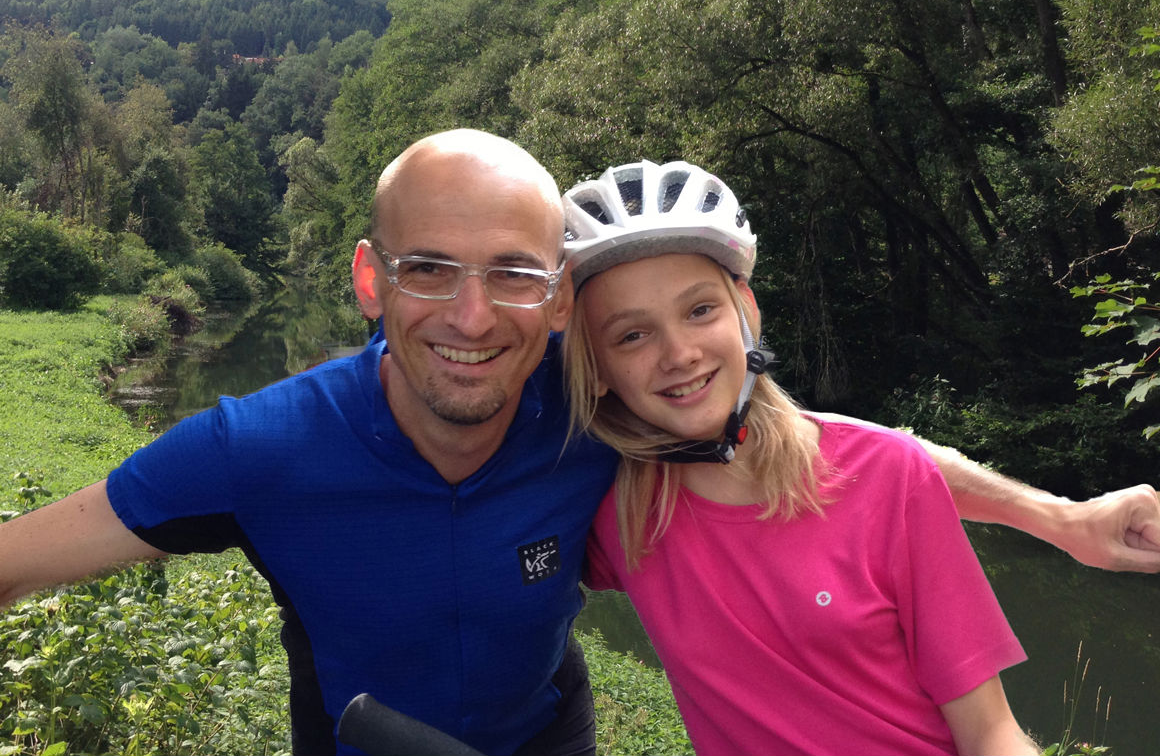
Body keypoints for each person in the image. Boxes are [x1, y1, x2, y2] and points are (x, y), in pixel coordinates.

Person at [0, 130, 1157, 756]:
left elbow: (845, 457)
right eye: (428, 270)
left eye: (511, 273)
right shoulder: (258, 448)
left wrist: (1055, 518)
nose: (470, 317)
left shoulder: (597, 421)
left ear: (553, 300)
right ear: (369, 279)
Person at [562, 160, 1039, 755]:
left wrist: (1055, 515)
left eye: (700, 310)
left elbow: (990, 732)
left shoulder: (889, 474)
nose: (679, 354)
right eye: (632, 335)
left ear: (746, 310)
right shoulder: (619, 514)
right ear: (597, 369)